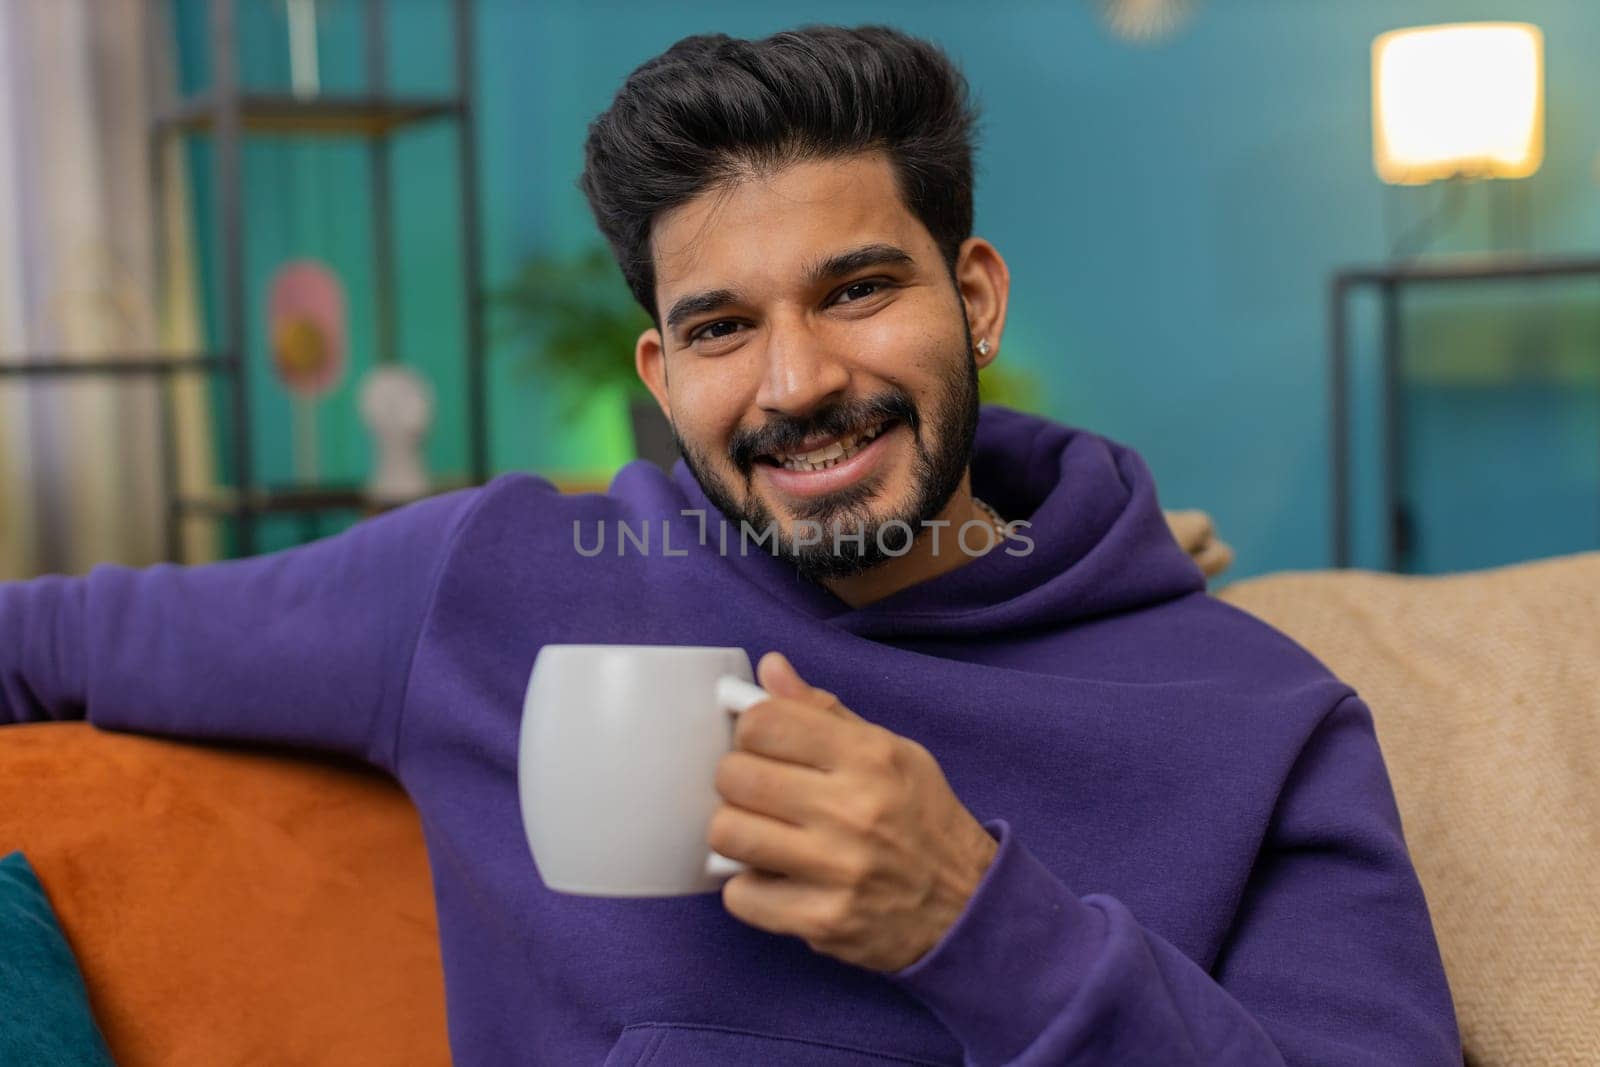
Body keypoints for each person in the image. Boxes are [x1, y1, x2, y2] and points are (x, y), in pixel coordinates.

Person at [0, 24, 1459, 1066]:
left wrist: (973, 919)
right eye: (720, 327)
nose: (796, 381)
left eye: (857, 289)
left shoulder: (1262, 717)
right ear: (658, 375)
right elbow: (41, 643)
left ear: (978, 298)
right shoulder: (491, 582)